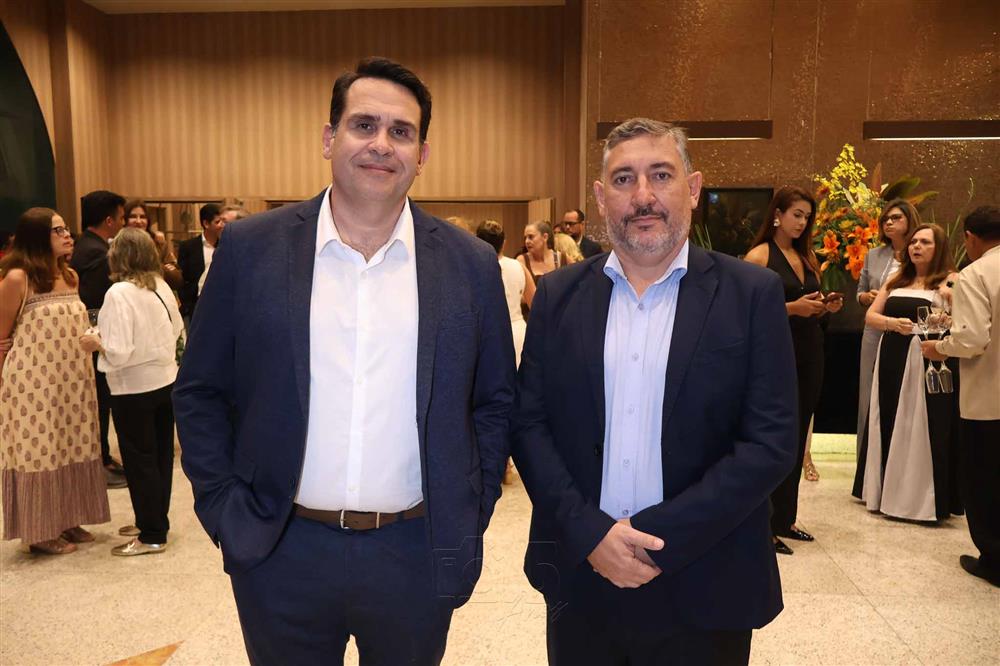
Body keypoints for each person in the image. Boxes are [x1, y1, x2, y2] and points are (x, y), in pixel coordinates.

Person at [173, 57, 514, 665]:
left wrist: (471, 505)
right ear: (330, 138)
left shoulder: (469, 265)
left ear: (422, 154)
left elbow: (494, 401)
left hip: (415, 552)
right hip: (280, 548)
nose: (381, 144)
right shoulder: (250, 249)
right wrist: (224, 510)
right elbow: (200, 389)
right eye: (364, 125)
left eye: (401, 131)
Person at [511, 118, 797, 665]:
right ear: (601, 198)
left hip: (707, 578)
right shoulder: (558, 297)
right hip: (582, 576)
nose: (643, 196)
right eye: (624, 179)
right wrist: (592, 535)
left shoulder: (751, 294)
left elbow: (771, 442)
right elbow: (529, 424)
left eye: (661, 175)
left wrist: (655, 536)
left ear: (693, 188)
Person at [0, 208, 111, 554]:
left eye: (66, 229)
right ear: (37, 237)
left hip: (73, 380)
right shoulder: (17, 278)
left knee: (73, 443)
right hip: (32, 383)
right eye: (57, 230)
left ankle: (67, 518)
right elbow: (1, 338)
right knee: (40, 451)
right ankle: (39, 531)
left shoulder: (71, 276)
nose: (67, 236)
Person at [744, 186, 843, 554]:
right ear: (777, 215)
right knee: (773, 438)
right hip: (774, 355)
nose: (802, 222)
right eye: (796, 214)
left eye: (807, 217)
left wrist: (823, 306)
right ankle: (762, 524)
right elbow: (744, 311)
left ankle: (785, 518)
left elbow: (808, 303)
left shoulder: (808, 255)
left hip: (810, 350)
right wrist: (791, 309)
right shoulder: (758, 256)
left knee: (798, 437)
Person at [81, 229, 184, 556]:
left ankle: (152, 534)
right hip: (164, 380)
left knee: (140, 461)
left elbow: (120, 350)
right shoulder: (160, 285)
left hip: (133, 387)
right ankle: (154, 520)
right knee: (160, 457)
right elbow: (177, 329)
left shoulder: (119, 293)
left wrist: (95, 342)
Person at [853, 223, 962, 522]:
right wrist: (892, 324)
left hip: (928, 356)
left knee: (924, 422)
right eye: (914, 241)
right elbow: (871, 316)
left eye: (925, 242)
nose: (916, 247)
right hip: (892, 353)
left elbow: (962, 317)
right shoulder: (895, 279)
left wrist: (949, 299)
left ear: (939, 247)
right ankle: (884, 491)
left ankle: (920, 499)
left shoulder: (952, 279)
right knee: (889, 415)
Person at [921, 206, 1000, 586]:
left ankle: (993, 560)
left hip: (989, 397)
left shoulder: (976, 273)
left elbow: (974, 339)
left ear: (970, 237)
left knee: (984, 480)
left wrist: (940, 348)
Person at [71, 190, 128, 489]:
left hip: (91, 337)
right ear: (109, 220)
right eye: (121, 217)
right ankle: (100, 460)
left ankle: (103, 456)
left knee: (101, 401)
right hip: (92, 338)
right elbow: (95, 303)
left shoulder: (89, 246)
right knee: (99, 401)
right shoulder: (95, 253)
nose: (122, 223)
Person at [855, 199, 917, 458]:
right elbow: (859, 292)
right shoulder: (874, 254)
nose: (889, 223)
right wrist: (866, 297)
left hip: (908, 330)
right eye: (885, 219)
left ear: (910, 221)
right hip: (875, 329)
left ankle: (901, 460)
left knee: (904, 394)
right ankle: (864, 461)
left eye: (896, 218)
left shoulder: (919, 251)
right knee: (869, 393)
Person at [475, 219, 535, 366]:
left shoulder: (474, 267)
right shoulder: (518, 266)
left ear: (476, 241)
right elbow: (536, 304)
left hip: (487, 333)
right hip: (518, 331)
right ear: (504, 243)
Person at [176, 202, 223, 324]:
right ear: (206, 224)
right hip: (195, 306)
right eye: (218, 222)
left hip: (221, 304)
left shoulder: (225, 245)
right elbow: (182, 278)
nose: (222, 225)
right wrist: (187, 304)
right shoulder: (188, 247)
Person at [124, 199, 183, 289]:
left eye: (142, 217)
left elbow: (175, 274)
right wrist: (161, 269)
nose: (138, 221)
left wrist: (166, 270)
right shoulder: (119, 244)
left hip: (155, 290)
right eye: (133, 216)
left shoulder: (158, 242)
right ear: (124, 220)